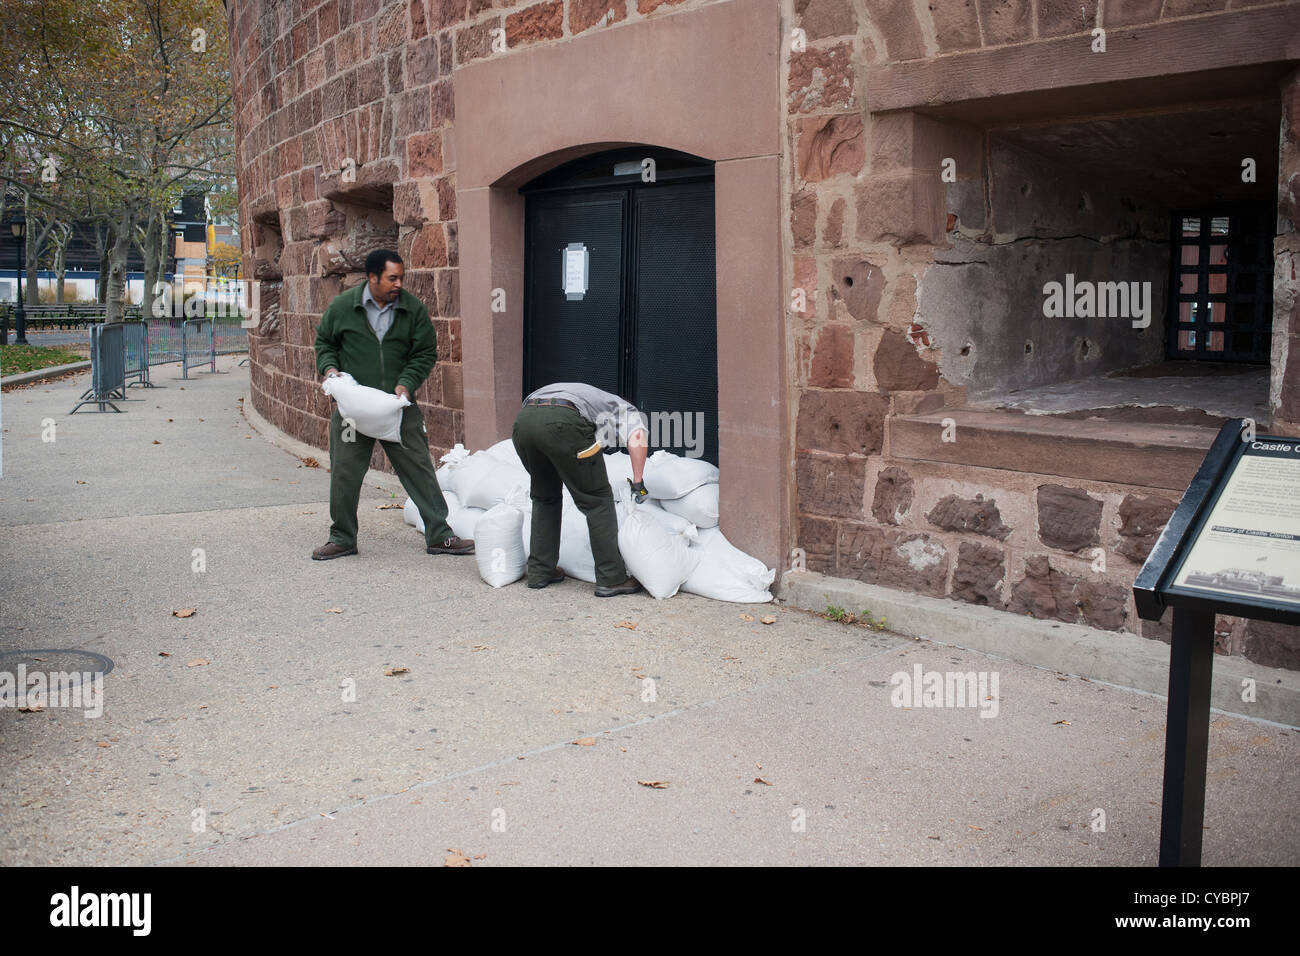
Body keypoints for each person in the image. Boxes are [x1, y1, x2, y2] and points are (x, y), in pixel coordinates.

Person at [311, 249, 473, 560]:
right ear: (372, 278)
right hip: (353, 411)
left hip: (398, 408)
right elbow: (325, 343)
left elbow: (425, 353)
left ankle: (440, 535)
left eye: (401, 277)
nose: (399, 283)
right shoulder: (343, 307)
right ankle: (342, 538)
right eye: (392, 278)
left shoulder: (413, 310)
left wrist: (407, 383)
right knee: (344, 471)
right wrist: (329, 369)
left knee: (420, 469)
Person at [512, 383, 649, 596]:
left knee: (545, 497)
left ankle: (540, 571)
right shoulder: (625, 410)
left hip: (525, 422)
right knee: (598, 500)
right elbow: (637, 438)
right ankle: (612, 578)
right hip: (563, 421)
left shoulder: (589, 395)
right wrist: (638, 482)